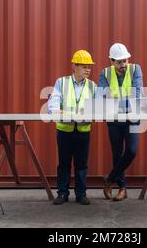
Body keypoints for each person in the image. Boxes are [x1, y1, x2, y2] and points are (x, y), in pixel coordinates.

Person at [48, 50, 97, 205]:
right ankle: (62, 194)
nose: (88, 69)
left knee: (81, 164)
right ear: (74, 66)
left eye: (89, 66)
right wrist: (68, 113)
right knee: (64, 163)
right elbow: (53, 106)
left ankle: (81, 194)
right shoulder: (61, 83)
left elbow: (98, 108)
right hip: (64, 130)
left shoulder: (93, 86)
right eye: (84, 66)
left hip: (83, 131)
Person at [98, 43, 143, 201]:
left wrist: (114, 104)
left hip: (132, 118)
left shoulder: (135, 69)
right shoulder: (105, 73)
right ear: (111, 61)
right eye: (119, 62)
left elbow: (137, 95)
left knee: (131, 151)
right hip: (114, 120)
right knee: (116, 154)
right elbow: (100, 97)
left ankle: (109, 179)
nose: (123, 65)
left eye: (125, 61)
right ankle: (122, 189)